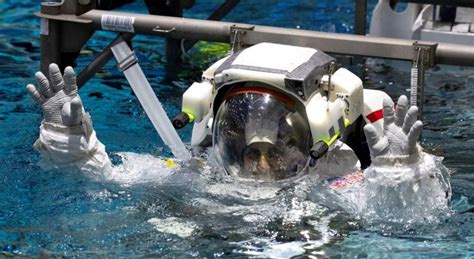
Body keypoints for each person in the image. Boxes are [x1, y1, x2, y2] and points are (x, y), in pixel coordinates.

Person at [26, 43, 446, 198]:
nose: (261, 167)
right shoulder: (198, 175)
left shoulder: (332, 186)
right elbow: (107, 180)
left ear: (311, 141)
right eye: (249, 151)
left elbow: (400, 226)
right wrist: (72, 145)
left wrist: (399, 177)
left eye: (275, 151)